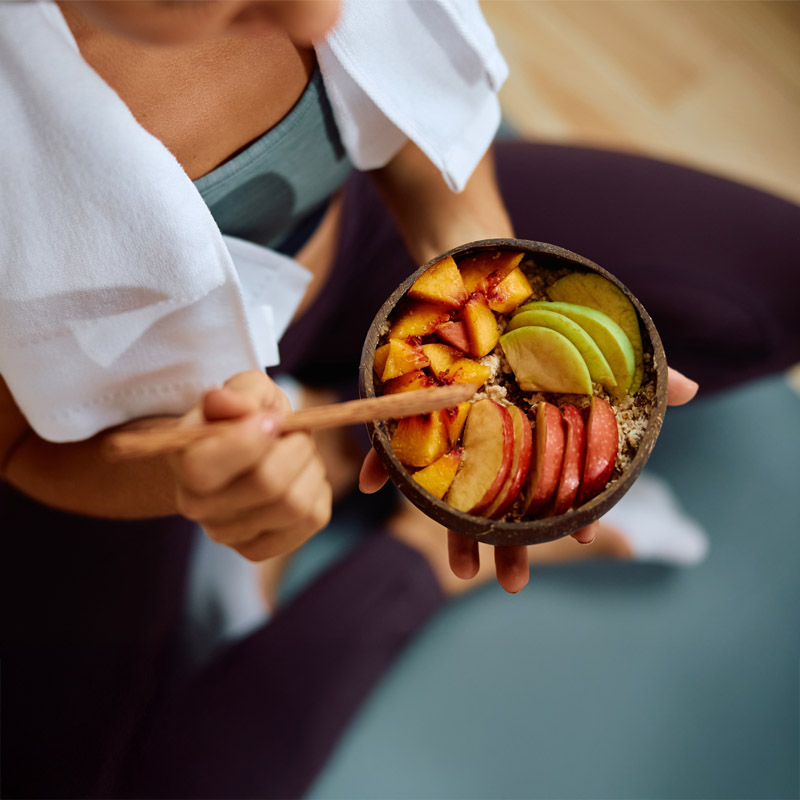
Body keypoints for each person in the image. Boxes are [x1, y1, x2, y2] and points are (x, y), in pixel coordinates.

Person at [1, 1, 798, 798]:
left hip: (360, 255)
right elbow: (18, 449)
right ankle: (417, 555)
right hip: (130, 415)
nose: (317, 20)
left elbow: (408, 105)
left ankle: (348, 439)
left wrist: (473, 253)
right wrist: (191, 481)